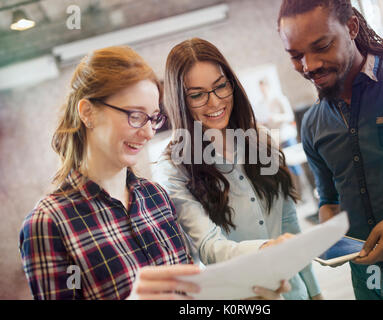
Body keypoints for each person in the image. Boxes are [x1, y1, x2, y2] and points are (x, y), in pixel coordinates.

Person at [19, 46, 288, 300]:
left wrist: (246, 294)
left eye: (154, 118)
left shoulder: (155, 197)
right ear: (88, 112)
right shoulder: (48, 224)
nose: (148, 132)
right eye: (136, 116)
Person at [277, 0, 383, 300]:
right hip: (372, 289)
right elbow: (329, 201)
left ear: (352, 27)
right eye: (296, 56)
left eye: (321, 46)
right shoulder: (313, 125)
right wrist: (329, 232)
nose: (309, 65)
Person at [152, 38, 323, 300]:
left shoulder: (260, 138)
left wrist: (314, 291)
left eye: (221, 86)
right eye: (197, 95)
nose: (215, 102)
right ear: (179, 100)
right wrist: (266, 249)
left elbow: (288, 223)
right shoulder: (174, 166)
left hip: (294, 293)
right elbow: (208, 246)